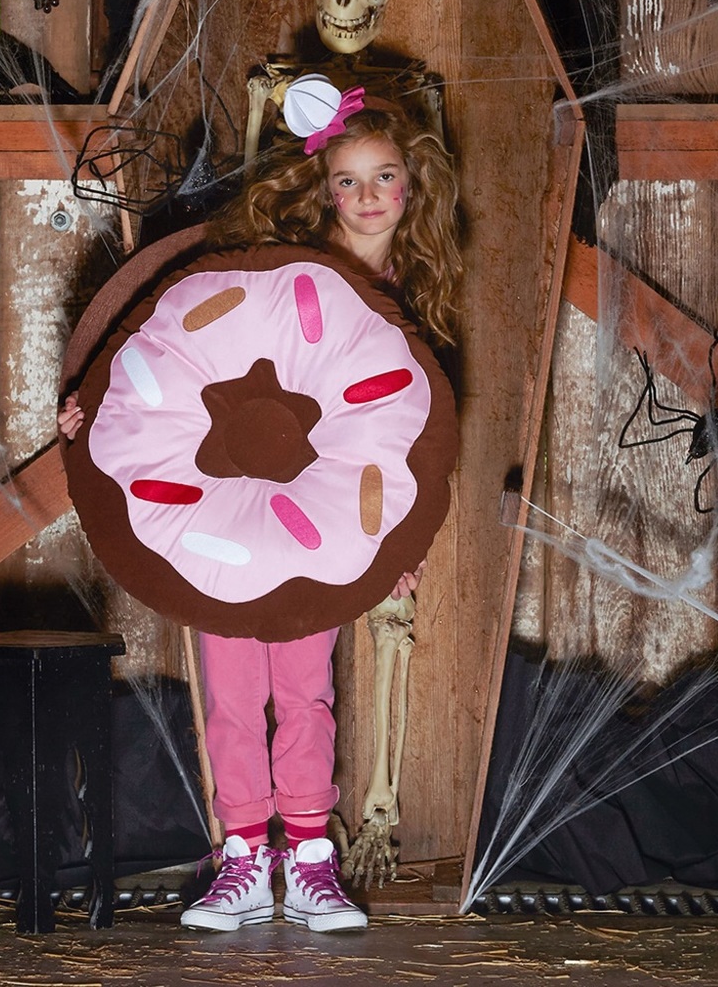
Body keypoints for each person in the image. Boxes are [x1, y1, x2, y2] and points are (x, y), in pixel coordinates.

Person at [58, 77, 462, 933]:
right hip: (219, 514)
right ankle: (244, 854)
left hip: (322, 521)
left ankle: (309, 854)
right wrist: (89, 410)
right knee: (232, 686)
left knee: (305, 686)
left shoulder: (417, 296)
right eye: (347, 180)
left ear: (413, 185)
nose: (365, 198)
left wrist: (401, 539)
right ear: (322, 188)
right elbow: (164, 355)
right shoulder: (273, 269)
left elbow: (416, 438)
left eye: (383, 178)